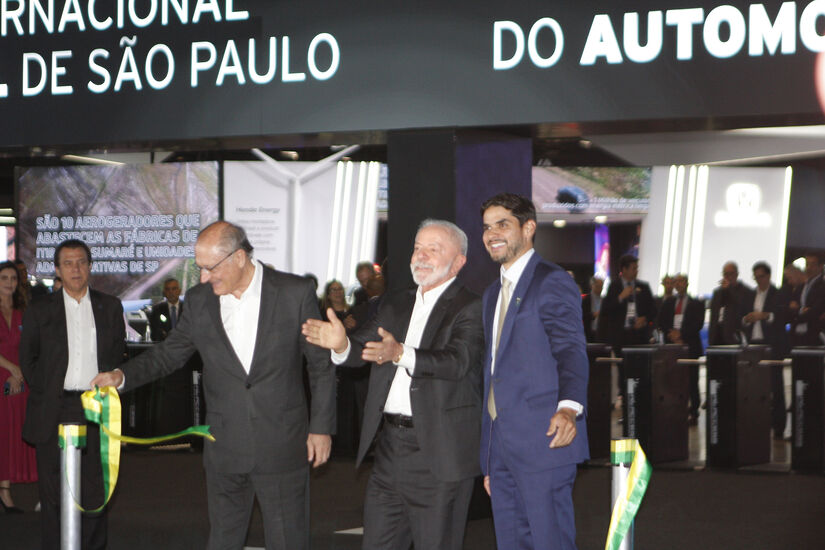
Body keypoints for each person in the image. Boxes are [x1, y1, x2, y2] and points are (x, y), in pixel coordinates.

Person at [91, 221, 335, 550]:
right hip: (224, 447)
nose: (204, 277)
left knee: (288, 540)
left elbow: (320, 365)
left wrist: (321, 427)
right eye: (200, 268)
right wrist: (122, 376)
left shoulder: (294, 292)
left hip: (281, 444)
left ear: (239, 258)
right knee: (223, 540)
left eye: (210, 268)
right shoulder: (199, 300)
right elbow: (169, 354)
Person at [303, 219, 484, 550]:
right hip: (389, 449)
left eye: (433, 249)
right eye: (417, 248)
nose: (421, 256)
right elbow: (361, 348)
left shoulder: (471, 306)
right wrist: (341, 344)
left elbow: (457, 361)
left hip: (439, 456)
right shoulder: (395, 302)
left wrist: (400, 353)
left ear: (458, 262)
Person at [479, 193, 589, 550]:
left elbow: (570, 350)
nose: (492, 234)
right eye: (487, 227)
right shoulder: (491, 294)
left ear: (528, 228)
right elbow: (493, 373)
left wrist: (569, 408)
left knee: (550, 542)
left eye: (502, 224)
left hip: (546, 438)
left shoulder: (551, 281)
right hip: (501, 448)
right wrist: (489, 457)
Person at [20, 240, 125, 550]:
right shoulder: (40, 309)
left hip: (95, 406)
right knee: (53, 490)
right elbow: (28, 358)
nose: (75, 269)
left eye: (81, 262)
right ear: (57, 270)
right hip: (54, 407)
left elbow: (117, 353)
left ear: (90, 266)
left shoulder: (110, 306)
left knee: (95, 488)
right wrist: (48, 389)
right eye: (68, 263)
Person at [0, 261, 36, 514]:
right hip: (3, 376)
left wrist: (20, 373)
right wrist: (12, 370)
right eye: (4, 278)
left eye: (13, 278)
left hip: (20, 380)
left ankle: (5, 488)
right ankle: (4, 492)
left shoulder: (24, 311)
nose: (9, 283)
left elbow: (31, 347)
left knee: (12, 432)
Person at [742, 262, 788, 437]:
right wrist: (747, 319)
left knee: (776, 386)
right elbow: (741, 317)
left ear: (768, 276)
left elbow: (783, 317)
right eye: (755, 277)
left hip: (772, 344)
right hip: (753, 343)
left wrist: (765, 315)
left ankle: (778, 426)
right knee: (754, 386)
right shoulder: (750, 295)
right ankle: (758, 422)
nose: (758, 280)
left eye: (761, 276)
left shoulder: (779, 294)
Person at [656, 274, 705, 425]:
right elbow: (661, 321)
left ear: (687, 283)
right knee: (673, 380)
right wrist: (671, 334)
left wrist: (681, 334)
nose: (678, 284)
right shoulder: (668, 302)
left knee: (692, 380)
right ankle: (675, 409)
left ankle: (693, 411)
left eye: (681, 281)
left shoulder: (696, 303)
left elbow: (697, 324)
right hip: (672, 346)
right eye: (676, 282)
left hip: (690, 346)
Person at [708, 261, 752, 345]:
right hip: (717, 334)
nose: (727, 277)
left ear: (737, 274)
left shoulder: (746, 291)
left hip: (734, 335)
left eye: (730, 274)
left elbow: (740, 308)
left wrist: (730, 289)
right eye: (725, 274)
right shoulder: (717, 292)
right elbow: (713, 316)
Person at [788, 254, 825, 347]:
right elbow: (791, 308)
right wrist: (802, 310)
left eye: (812, 264)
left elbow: (816, 311)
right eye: (807, 264)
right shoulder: (800, 287)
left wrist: (799, 311)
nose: (809, 268)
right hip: (797, 335)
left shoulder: (822, 286)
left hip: (815, 335)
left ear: (820, 266)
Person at [581, 276, 604, 343]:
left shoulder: (604, 300)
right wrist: (594, 315)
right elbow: (583, 316)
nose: (600, 289)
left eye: (601, 287)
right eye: (598, 286)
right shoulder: (586, 300)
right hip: (590, 333)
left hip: (602, 332)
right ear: (592, 286)